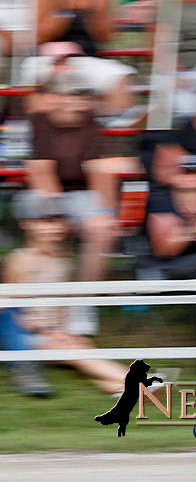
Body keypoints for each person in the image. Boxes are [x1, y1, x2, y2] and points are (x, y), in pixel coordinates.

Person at [2, 191, 174, 394]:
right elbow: (9, 306)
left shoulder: (63, 261)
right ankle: (138, 381)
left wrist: (60, 331)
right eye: (45, 221)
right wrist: (43, 332)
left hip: (50, 333)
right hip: (25, 338)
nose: (54, 228)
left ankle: (118, 387)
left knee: (82, 347)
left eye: (58, 221)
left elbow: (60, 304)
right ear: (27, 224)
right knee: (74, 351)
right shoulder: (20, 260)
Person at [26, 70, 120, 334]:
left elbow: (100, 170)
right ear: (55, 97)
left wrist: (105, 212)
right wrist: (58, 213)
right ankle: (43, 306)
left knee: (101, 228)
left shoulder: (91, 122)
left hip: (81, 193)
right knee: (49, 226)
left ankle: (82, 304)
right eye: (72, 94)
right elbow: (40, 171)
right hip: (42, 191)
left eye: (82, 94)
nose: (77, 100)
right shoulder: (38, 121)